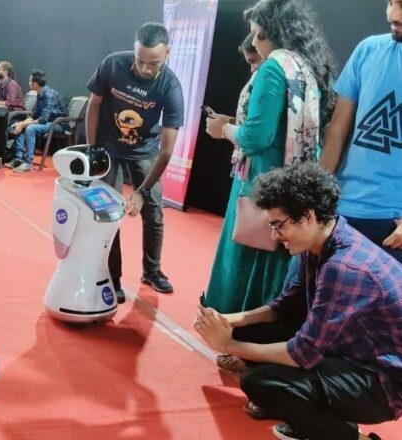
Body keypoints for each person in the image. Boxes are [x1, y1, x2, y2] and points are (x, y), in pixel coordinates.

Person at [194, 162, 401, 440]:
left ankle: (349, 435)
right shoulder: (321, 241)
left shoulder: (344, 266)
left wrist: (228, 344)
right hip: (351, 349)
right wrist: (225, 320)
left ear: (307, 216)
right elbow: (285, 306)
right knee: (246, 333)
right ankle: (299, 403)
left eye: (278, 225)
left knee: (260, 383)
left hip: (382, 382)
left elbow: (304, 353)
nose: (274, 236)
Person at [203, 0, 336, 314]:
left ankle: (235, 323)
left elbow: (256, 137)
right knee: (277, 259)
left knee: (246, 257)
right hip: (294, 179)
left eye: (259, 35)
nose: (255, 44)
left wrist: (224, 130)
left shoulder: (274, 66)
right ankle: (267, 328)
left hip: (261, 180)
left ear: (276, 33)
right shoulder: (304, 65)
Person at [85, 22, 184, 298]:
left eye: (153, 63)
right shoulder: (112, 64)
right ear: (134, 50)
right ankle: (111, 277)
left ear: (168, 54)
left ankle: (152, 271)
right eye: (140, 61)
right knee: (109, 213)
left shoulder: (171, 87)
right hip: (109, 147)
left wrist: (141, 192)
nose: (144, 69)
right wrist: (92, 150)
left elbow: (166, 150)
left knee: (153, 212)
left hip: (146, 151)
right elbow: (94, 104)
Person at [319, 0, 402, 263]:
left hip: (393, 224)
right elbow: (337, 130)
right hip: (341, 210)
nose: (394, 14)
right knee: (302, 299)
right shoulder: (368, 50)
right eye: (391, 2)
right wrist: (314, 196)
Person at [7, 69, 67, 173]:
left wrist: (25, 124)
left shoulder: (49, 95)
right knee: (22, 126)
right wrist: (21, 123)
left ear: (35, 83)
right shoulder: (39, 94)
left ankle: (28, 163)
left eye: (30, 81)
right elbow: (35, 114)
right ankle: (19, 158)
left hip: (58, 124)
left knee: (30, 128)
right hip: (49, 122)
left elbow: (43, 119)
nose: (28, 82)